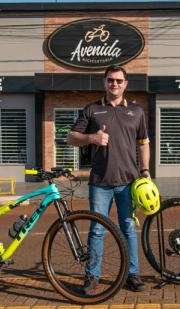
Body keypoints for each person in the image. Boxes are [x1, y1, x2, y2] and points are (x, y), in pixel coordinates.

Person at [67, 65, 150, 293]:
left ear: (126, 83)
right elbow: (71, 137)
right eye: (110, 80)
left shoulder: (136, 111)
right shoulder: (92, 109)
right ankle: (92, 276)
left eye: (119, 81)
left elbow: (144, 143)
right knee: (97, 230)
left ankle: (132, 274)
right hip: (100, 183)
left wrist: (145, 171)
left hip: (128, 182)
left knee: (128, 228)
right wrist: (92, 137)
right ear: (104, 82)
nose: (114, 84)